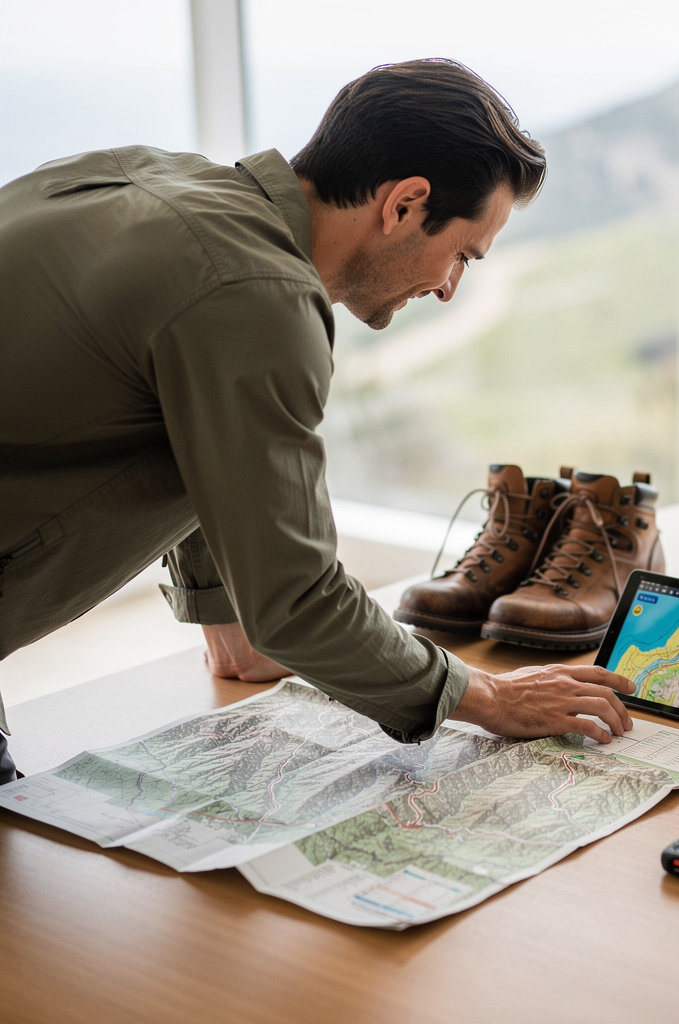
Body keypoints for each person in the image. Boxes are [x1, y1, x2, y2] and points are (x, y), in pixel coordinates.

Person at [0, 58, 634, 783]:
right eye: (461, 252)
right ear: (403, 204)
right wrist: (487, 695)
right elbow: (299, 599)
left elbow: (191, 419)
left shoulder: (138, 176)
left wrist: (226, 612)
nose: (450, 288)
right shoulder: (255, 292)